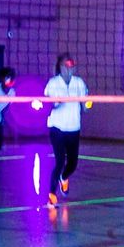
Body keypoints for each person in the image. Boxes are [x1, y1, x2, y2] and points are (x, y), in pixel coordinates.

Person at [44, 54, 88, 208]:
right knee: (60, 161)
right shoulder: (53, 83)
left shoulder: (79, 83)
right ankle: (51, 195)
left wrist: (87, 105)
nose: (69, 69)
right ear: (60, 67)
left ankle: (64, 177)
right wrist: (56, 104)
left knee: (73, 164)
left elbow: (85, 106)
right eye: (66, 66)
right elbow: (46, 106)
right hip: (57, 127)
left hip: (73, 128)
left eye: (72, 66)